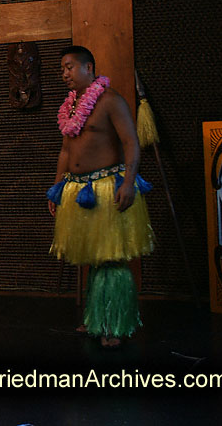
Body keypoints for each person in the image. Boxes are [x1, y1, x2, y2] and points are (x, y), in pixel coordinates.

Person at [47, 45, 155, 348]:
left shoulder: (110, 101)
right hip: (78, 188)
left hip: (108, 187)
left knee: (111, 259)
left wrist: (129, 183)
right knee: (93, 259)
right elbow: (66, 151)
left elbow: (131, 142)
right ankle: (97, 318)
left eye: (69, 67)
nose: (64, 74)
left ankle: (115, 325)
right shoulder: (70, 107)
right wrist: (56, 189)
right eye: (62, 69)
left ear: (89, 67)